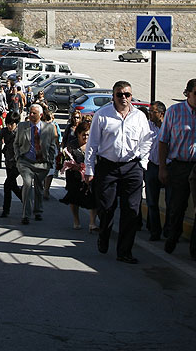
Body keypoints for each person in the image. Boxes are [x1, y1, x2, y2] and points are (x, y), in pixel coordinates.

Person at [84, 81, 152, 264]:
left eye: (127, 95)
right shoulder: (102, 115)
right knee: (106, 208)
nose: (124, 98)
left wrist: (143, 164)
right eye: (119, 94)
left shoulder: (139, 117)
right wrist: (89, 169)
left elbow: (147, 141)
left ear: (131, 96)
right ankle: (104, 235)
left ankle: (124, 251)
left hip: (132, 167)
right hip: (108, 167)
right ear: (113, 96)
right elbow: (92, 145)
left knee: (131, 210)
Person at [160, 78, 196, 260]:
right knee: (177, 206)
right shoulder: (174, 112)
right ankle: (173, 235)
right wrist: (163, 168)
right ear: (187, 93)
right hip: (179, 166)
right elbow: (163, 141)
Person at [14, 104, 58, 225]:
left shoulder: (49, 128)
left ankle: (38, 210)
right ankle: (25, 215)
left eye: (34, 113)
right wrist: (18, 157)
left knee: (39, 187)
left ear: (41, 115)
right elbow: (16, 143)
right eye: (30, 112)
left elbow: (52, 146)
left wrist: (50, 161)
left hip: (41, 163)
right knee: (27, 185)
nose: (31, 115)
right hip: (26, 161)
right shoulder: (22, 126)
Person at [59, 121, 98, 231]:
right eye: (84, 134)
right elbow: (65, 159)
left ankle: (92, 223)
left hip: (90, 176)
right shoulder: (72, 145)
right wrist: (73, 166)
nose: (86, 137)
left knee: (93, 198)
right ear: (78, 134)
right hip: (74, 176)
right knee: (74, 198)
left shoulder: (94, 145)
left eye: (88, 134)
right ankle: (76, 220)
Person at [144, 101, 170, 241]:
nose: (150, 114)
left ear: (161, 113)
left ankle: (169, 230)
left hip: (169, 167)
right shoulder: (148, 126)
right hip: (152, 167)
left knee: (170, 202)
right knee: (152, 202)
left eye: (153, 111)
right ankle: (155, 231)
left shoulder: (169, 127)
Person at [0, 112, 21, 218]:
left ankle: (5, 209)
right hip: (8, 161)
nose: (9, 126)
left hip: (19, 163)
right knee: (13, 186)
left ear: (16, 123)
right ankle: (26, 201)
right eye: (7, 124)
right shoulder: (4, 131)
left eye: (11, 124)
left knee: (7, 184)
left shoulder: (21, 132)